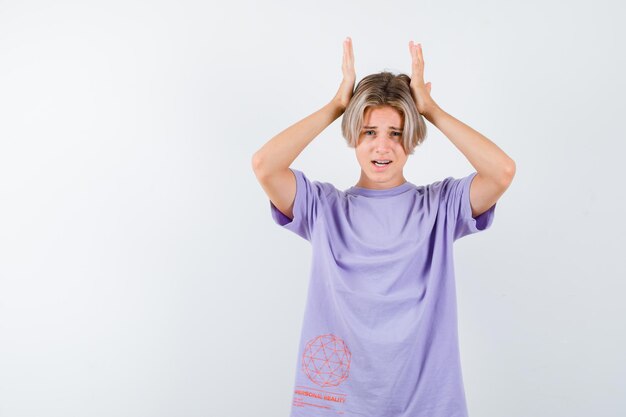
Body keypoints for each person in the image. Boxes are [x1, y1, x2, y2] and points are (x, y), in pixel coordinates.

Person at [251, 37, 515, 417]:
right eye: (369, 131)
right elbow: (264, 165)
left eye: (395, 133)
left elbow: (502, 171)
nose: (383, 147)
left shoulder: (440, 207)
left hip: (427, 405)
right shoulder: (323, 209)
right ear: (353, 135)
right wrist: (337, 106)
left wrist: (432, 110)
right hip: (336, 406)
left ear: (411, 138)